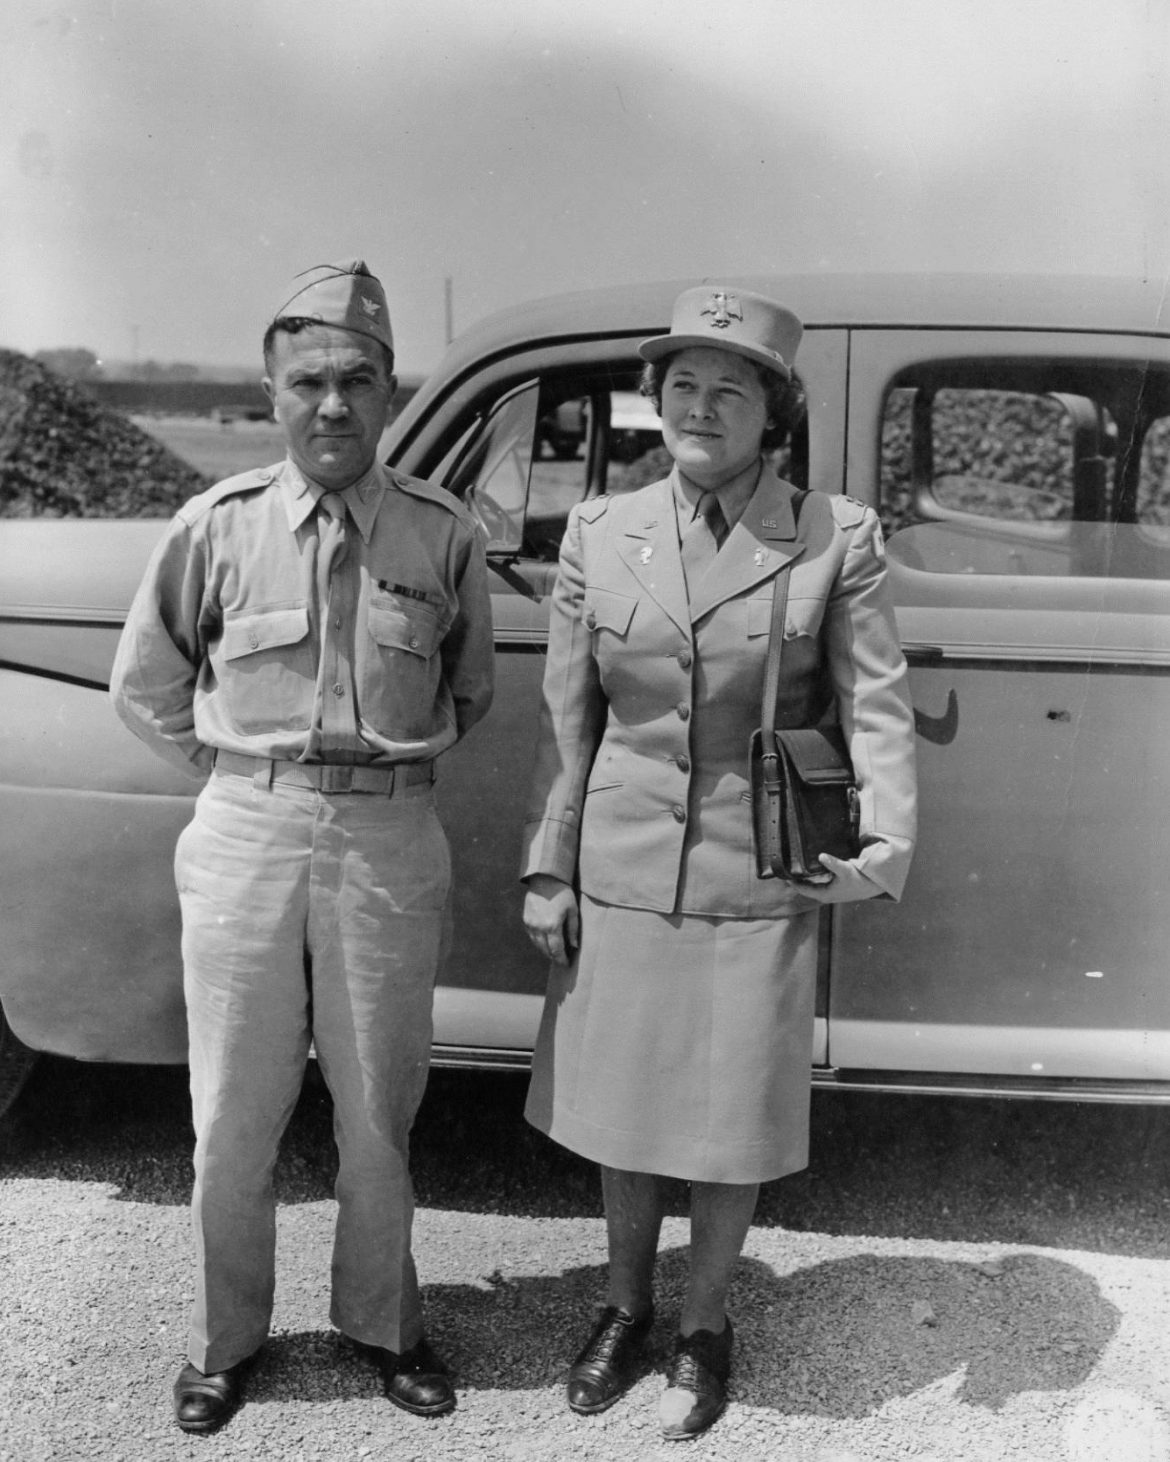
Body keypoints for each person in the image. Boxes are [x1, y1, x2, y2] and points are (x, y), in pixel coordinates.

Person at [520, 285, 916, 1440]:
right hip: (625, 861)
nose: (701, 407)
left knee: (732, 1108)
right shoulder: (600, 531)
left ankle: (704, 1324)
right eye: (681, 385)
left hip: (763, 867)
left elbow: (874, 704)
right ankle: (623, 1305)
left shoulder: (835, 536)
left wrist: (881, 844)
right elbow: (572, 725)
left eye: (729, 388)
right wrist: (553, 861)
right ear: (656, 404)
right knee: (626, 1102)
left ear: (772, 410)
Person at [110, 260, 493, 1434]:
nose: (335, 405)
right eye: (310, 381)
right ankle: (227, 1340)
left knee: (380, 1101)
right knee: (231, 1105)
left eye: (359, 381)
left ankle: (383, 1323)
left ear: (390, 394)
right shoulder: (213, 527)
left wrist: (360, 776)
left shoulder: (441, 534)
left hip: (384, 830)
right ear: (272, 393)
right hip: (247, 829)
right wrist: (247, 773)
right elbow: (148, 685)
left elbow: (468, 692)